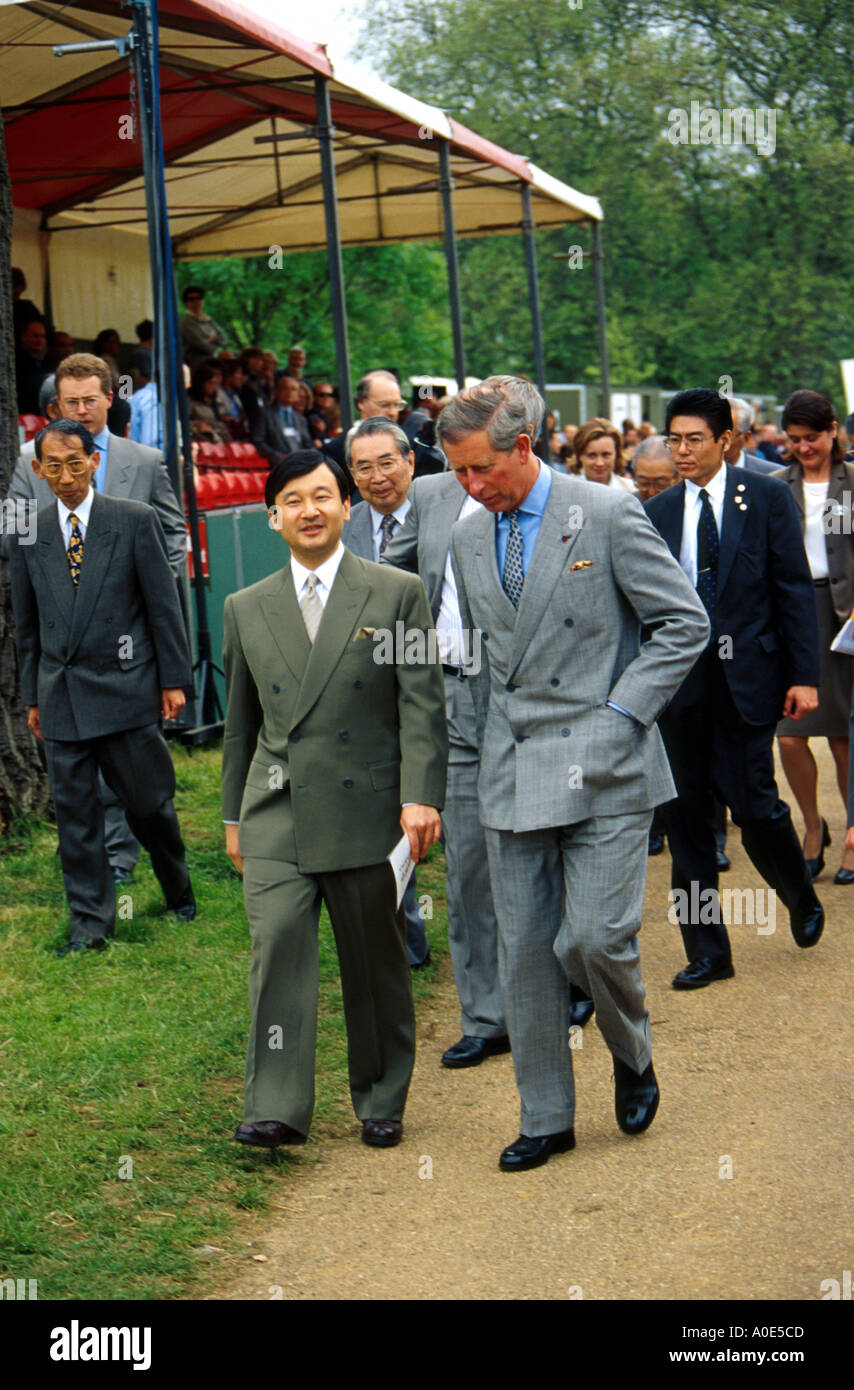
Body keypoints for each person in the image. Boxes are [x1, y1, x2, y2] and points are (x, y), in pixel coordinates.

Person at [441, 376, 710, 1171]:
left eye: (479, 470)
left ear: (522, 445)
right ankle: (546, 1116)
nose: (470, 486)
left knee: (595, 938)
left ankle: (632, 1052)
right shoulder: (464, 536)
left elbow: (683, 624)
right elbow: (487, 664)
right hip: (513, 769)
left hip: (607, 764)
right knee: (525, 951)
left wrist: (624, 714)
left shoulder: (605, 511)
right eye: (455, 472)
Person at [221, 451, 447, 1150]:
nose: (309, 510)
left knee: (373, 956)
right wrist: (233, 816)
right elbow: (239, 724)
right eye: (293, 500)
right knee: (279, 946)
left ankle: (381, 1096)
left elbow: (421, 703)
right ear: (272, 517)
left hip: (368, 808)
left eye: (323, 496)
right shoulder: (244, 607)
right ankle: (276, 1106)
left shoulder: (397, 591)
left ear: (348, 507)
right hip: (276, 809)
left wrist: (419, 797)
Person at [645, 388, 824, 990]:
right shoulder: (658, 511)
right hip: (678, 687)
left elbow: (793, 590)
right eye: (674, 439)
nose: (682, 450)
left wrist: (804, 677)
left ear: (727, 441)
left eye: (694, 438)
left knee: (754, 806)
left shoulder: (768, 498)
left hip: (749, 677)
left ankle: (797, 891)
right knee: (686, 818)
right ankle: (707, 951)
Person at [9, 419, 196, 955]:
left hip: (127, 690)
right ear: (38, 470)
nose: (65, 476)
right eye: (53, 466)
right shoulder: (31, 531)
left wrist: (173, 680)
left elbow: (164, 606)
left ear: (94, 461)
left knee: (149, 804)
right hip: (61, 695)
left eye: (75, 463)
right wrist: (33, 697)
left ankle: (177, 887)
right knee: (76, 815)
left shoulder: (132, 520)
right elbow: (27, 625)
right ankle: (90, 925)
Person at [382, 451, 508, 1069]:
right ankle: (486, 1016)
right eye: (459, 460)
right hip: (450, 691)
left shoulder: (555, 497)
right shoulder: (431, 494)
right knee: (468, 865)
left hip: (523, 695)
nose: (470, 476)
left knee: (541, 846)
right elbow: (391, 574)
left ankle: (564, 985)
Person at [340, 417, 432, 969]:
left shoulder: (445, 516)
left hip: (436, 681)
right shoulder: (341, 526)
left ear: (410, 462)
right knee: (383, 815)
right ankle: (408, 938)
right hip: (367, 691)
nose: (377, 477)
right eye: (363, 467)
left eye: (386, 463)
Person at [772, 390, 854, 884]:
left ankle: (852, 834)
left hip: (844, 617)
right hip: (793, 615)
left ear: (833, 433)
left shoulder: (852, 485)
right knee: (789, 735)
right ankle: (811, 826)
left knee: (844, 737)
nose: (804, 447)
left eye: (813, 438)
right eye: (795, 439)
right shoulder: (776, 487)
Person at [322, 370, 405, 491]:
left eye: (397, 405)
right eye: (384, 405)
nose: (393, 412)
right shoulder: (336, 451)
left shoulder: (408, 444)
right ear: (361, 403)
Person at [252, 374, 313, 464]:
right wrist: (277, 456)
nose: (289, 392)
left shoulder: (300, 418)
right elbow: (258, 440)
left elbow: (308, 444)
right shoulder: (265, 414)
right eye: (285, 388)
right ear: (276, 391)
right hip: (277, 464)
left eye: (293, 389)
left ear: (297, 394)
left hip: (300, 463)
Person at [574, 417, 636, 492]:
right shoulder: (567, 490)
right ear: (580, 456)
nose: (599, 463)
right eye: (592, 455)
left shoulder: (630, 490)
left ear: (616, 454)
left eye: (606, 455)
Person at [725, 398, 781, 475]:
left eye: (726, 438)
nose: (717, 443)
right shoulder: (702, 473)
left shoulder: (774, 475)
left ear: (746, 438)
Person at [180, 285, 228, 371]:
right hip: (198, 364)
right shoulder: (187, 322)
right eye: (191, 299)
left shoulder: (207, 319)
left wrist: (210, 339)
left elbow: (223, 338)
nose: (196, 302)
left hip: (213, 361)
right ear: (186, 303)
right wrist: (213, 342)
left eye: (198, 298)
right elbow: (200, 344)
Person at [15, 316, 49, 414]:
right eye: (35, 336)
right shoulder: (18, 360)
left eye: (42, 336)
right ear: (23, 337)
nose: (39, 340)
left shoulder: (43, 362)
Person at [632, 434, 679, 502]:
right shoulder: (628, 507)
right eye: (644, 483)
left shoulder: (692, 508)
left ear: (678, 478)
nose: (651, 492)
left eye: (660, 484)